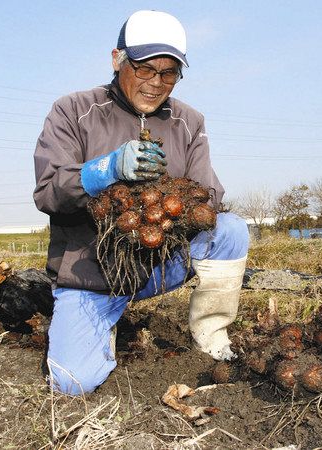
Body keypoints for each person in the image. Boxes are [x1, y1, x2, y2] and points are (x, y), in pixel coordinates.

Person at [33, 10, 249, 395]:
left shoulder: (188, 121)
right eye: (145, 68)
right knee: (72, 383)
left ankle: (211, 332)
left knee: (230, 230)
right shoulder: (73, 110)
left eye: (169, 73)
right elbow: (49, 192)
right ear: (118, 60)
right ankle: (103, 321)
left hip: (159, 266)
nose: (156, 83)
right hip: (93, 277)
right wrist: (107, 169)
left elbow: (211, 196)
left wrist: (173, 193)